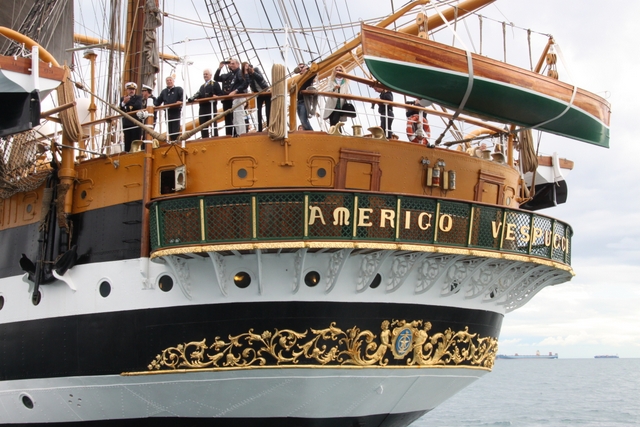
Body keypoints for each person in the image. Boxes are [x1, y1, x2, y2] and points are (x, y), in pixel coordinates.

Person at [214, 58, 248, 137]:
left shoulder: (239, 73)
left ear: (238, 64)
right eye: (230, 63)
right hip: (231, 99)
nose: (231, 65)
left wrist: (235, 91)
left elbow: (245, 83)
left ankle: (240, 134)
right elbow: (216, 78)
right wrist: (220, 67)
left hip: (237, 97)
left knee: (238, 117)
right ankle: (235, 134)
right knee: (234, 119)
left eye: (233, 63)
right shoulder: (229, 75)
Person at [188, 69, 222, 138]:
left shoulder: (215, 84)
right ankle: (204, 137)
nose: (205, 75)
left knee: (212, 122)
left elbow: (220, 93)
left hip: (211, 106)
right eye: (204, 74)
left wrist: (216, 96)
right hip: (203, 107)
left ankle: (214, 136)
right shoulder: (202, 87)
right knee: (203, 124)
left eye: (206, 74)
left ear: (210, 75)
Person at [154, 76, 184, 141]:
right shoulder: (164, 92)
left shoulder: (178, 89)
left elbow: (184, 97)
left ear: (173, 81)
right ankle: (172, 141)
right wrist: (153, 105)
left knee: (175, 129)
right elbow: (158, 101)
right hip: (167, 112)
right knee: (169, 129)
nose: (169, 82)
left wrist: (180, 101)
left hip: (175, 112)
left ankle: (176, 141)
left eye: (170, 80)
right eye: (167, 80)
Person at [243, 62, 270, 132]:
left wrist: (253, 72)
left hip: (266, 91)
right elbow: (247, 83)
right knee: (258, 112)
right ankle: (260, 129)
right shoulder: (247, 75)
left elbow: (261, 78)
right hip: (258, 94)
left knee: (268, 111)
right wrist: (246, 73)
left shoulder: (256, 69)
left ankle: (269, 127)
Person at [119, 82, 143, 152]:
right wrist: (124, 103)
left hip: (136, 123)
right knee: (127, 141)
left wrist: (126, 103)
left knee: (135, 141)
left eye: (133, 89)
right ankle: (127, 154)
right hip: (127, 124)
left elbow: (138, 106)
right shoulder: (122, 99)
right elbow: (120, 109)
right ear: (127, 90)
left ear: (135, 90)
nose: (131, 91)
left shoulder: (138, 98)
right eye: (130, 89)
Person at [296, 63, 316, 130]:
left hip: (304, 102)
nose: (300, 69)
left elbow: (314, 73)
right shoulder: (298, 79)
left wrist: (307, 69)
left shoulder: (307, 78)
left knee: (304, 121)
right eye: (299, 68)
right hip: (298, 102)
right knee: (302, 121)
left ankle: (312, 134)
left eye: (301, 67)